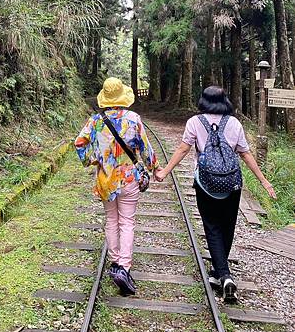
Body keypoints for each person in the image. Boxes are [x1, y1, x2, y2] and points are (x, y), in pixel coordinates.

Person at [155, 86, 276, 303]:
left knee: (211, 226)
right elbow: (245, 154)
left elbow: (183, 149)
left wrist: (165, 171)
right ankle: (218, 271)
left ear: (203, 101)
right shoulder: (234, 123)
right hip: (232, 183)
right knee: (227, 226)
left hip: (206, 183)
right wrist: (264, 181)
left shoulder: (195, 122)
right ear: (224, 101)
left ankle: (223, 275)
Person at [75, 77, 160, 296]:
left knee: (111, 220)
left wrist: (95, 159)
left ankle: (114, 262)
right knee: (127, 222)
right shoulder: (133, 119)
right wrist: (154, 168)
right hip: (129, 178)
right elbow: (145, 148)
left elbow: (79, 143)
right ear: (123, 96)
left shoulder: (96, 120)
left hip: (106, 179)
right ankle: (124, 266)